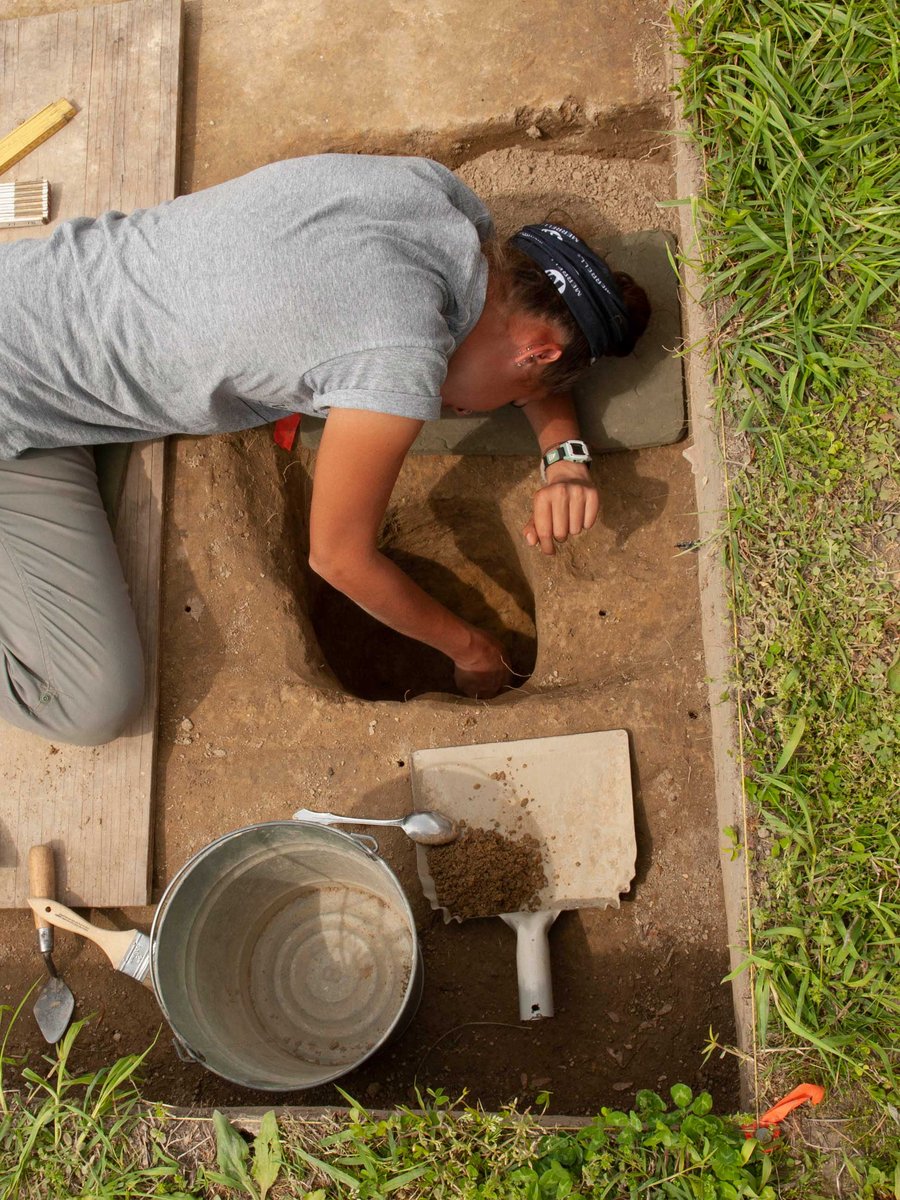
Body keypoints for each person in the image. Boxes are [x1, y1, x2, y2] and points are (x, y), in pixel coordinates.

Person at [0, 154, 649, 746]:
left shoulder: (432, 197)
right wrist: (473, 650)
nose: (472, 413)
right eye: (513, 399)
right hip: (14, 415)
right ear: (536, 350)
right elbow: (339, 559)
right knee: (94, 702)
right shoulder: (399, 356)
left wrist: (564, 454)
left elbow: (526, 347)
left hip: (27, 289)